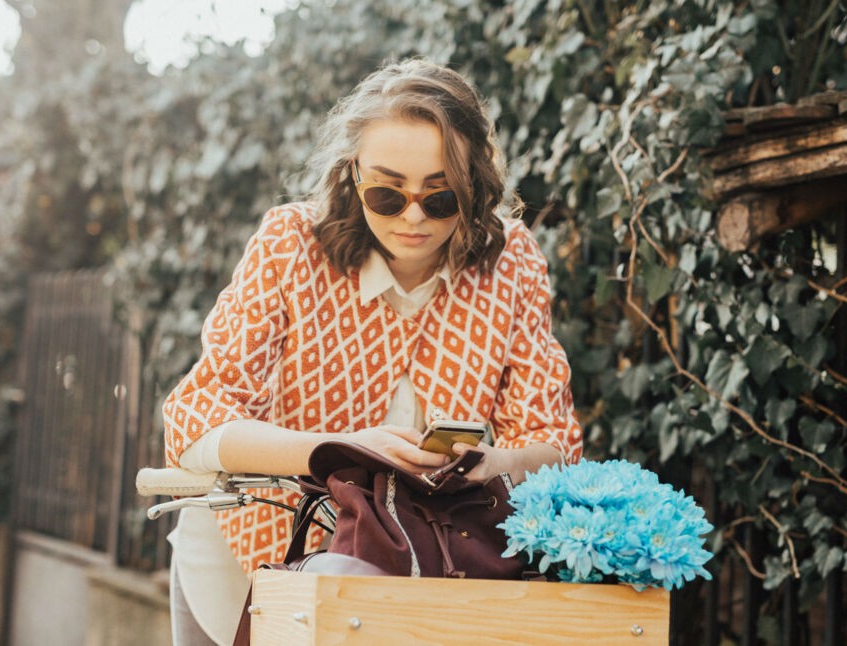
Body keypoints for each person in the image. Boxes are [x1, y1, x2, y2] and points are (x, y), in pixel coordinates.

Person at [161, 57, 583, 645]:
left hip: (416, 575)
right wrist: (338, 451)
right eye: (387, 194)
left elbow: (554, 442)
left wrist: (493, 464)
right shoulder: (289, 245)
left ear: (476, 187)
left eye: (440, 198)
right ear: (352, 174)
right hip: (249, 555)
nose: (413, 217)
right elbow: (193, 418)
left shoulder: (511, 261)